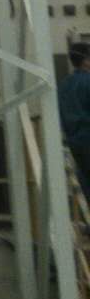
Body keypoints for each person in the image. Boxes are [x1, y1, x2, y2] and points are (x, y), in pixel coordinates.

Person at [58, 42, 90, 194]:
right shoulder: (88, 81)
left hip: (74, 142)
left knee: (85, 179)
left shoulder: (64, 85)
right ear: (86, 60)